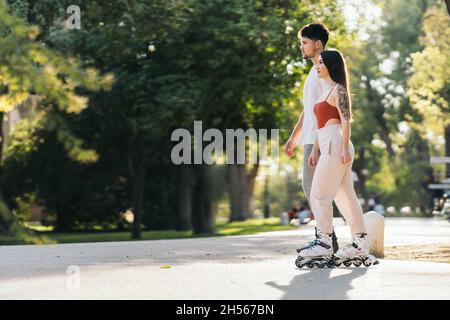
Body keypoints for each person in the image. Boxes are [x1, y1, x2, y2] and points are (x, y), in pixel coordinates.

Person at [295, 49, 378, 268]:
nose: (317, 65)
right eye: (317, 62)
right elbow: (320, 124)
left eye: (321, 62)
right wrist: (314, 150)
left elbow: (345, 120)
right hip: (326, 143)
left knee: (319, 194)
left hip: (336, 144)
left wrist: (343, 148)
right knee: (344, 197)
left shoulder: (338, 90)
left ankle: (324, 242)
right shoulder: (325, 90)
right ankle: (360, 243)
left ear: (331, 65)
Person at [283, 23, 339, 253]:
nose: (301, 47)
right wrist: (293, 138)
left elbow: (326, 105)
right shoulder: (313, 72)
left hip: (320, 139)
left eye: (304, 43)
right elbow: (309, 109)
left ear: (317, 44)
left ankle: (325, 237)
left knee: (312, 188)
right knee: (319, 190)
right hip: (310, 138)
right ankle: (329, 237)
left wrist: (316, 145)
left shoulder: (322, 69)